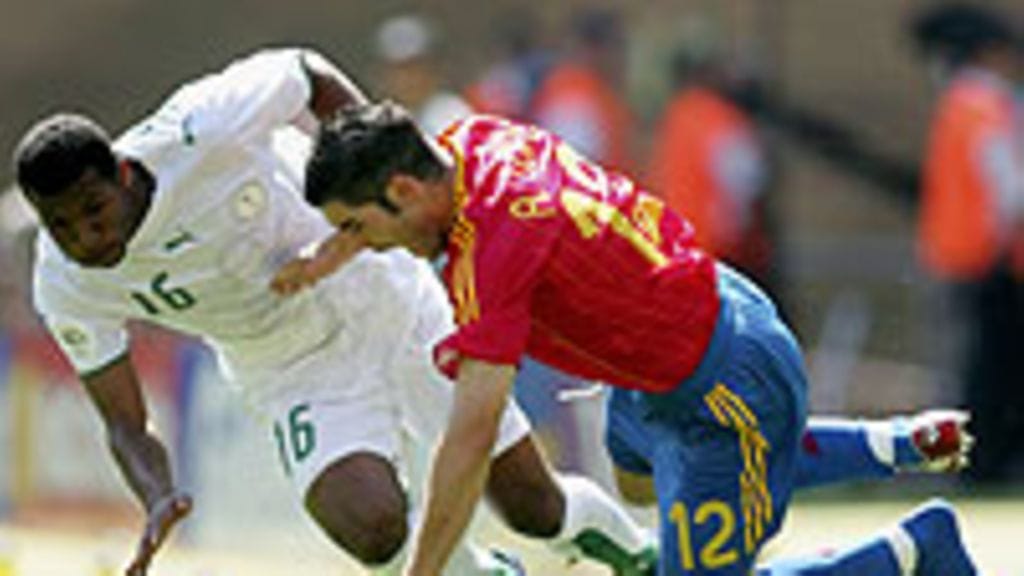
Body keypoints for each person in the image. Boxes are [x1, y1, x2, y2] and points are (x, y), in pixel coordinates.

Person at [14, 49, 660, 576]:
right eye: (61, 225)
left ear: (125, 176)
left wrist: (358, 209)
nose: (84, 238)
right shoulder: (64, 280)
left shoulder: (200, 128)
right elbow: (124, 420)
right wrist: (156, 497)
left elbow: (307, 73)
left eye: (93, 213)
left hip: (381, 289)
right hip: (288, 366)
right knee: (371, 529)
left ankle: (638, 555)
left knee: (532, 508)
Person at [299, 103, 978, 575]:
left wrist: (422, 573)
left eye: (357, 226)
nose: (365, 244)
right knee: (639, 483)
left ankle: (915, 550)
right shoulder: (473, 139)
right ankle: (893, 445)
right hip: (673, 329)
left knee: (699, 513)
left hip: (723, 388)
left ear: (403, 188)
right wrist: (337, 251)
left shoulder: (490, 255)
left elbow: (472, 435)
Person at [912, 3, 1024, 484]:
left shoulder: (965, 103)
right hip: (990, 260)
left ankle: (982, 465)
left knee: (984, 372)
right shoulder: (985, 104)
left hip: (974, 258)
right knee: (991, 372)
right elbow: (1008, 188)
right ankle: (988, 466)